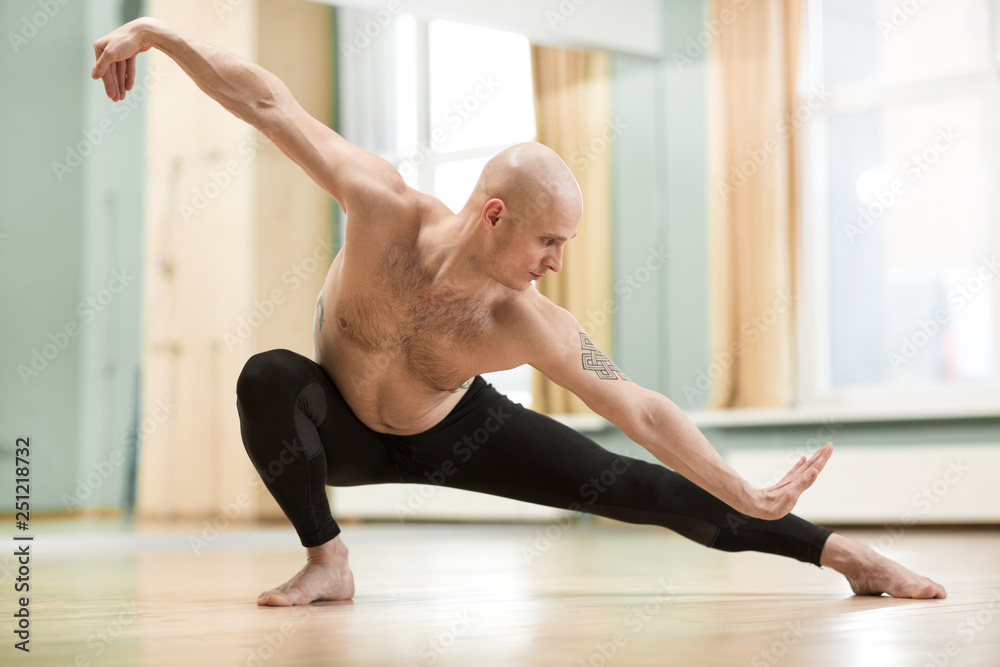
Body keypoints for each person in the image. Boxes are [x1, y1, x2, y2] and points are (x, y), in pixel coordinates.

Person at [91, 17, 947, 606]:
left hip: (454, 429)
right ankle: (328, 560)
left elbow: (637, 405)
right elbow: (267, 101)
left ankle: (844, 554)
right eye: (549, 241)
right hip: (339, 430)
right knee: (267, 377)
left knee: (641, 487)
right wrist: (156, 34)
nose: (556, 262)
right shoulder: (380, 203)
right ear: (495, 213)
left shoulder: (528, 319)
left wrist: (744, 488)